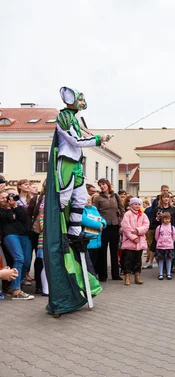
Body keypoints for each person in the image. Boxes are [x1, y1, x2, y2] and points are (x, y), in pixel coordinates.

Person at [54, 87, 111, 238]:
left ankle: (74, 232)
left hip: (77, 163)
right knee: (63, 198)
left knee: (80, 199)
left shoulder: (75, 118)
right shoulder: (64, 117)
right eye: (79, 99)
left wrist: (99, 141)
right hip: (67, 162)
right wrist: (98, 139)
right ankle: (57, 230)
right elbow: (75, 141)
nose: (82, 102)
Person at [0, 191, 34, 299]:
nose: (6, 199)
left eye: (8, 197)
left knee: (27, 262)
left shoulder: (17, 207)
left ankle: (12, 285)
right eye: (3, 198)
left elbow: (24, 217)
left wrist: (15, 205)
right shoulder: (2, 211)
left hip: (24, 235)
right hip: (10, 235)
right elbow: (9, 218)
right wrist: (10, 208)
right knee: (19, 259)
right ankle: (16, 290)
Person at [93, 178, 125, 282]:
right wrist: (99, 223)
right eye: (100, 185)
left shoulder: (115, 196)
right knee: (103, 250)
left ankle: (115, 274)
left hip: (115, 226)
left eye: (103, 184)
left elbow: (122, 209)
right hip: (104, 227)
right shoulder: (98, 198)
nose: (102, 186)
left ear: (108, 185)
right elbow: (95, 213)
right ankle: (103, 275)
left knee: (114, 250)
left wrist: (121, 223)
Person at [120, 198, 149, 286]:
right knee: (128, 259)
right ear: (131, 205)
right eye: (135, 204)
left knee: (138, 260)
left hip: (140, 241)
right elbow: (125, 227)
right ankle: (127, 276)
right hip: (129, 241)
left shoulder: (143, 215)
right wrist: (133, 237)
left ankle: (137, 275)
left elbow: (146, 225)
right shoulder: (127, 214)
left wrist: (138, 230)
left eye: (138, 204)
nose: (137, 206)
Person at [81, 195, 106, 275]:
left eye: (89, 199)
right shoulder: (82, 209)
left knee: (94, 262)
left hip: (97, 239)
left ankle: (93, 277)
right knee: (89, 262)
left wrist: (102, 223)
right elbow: (84, 220)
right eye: (86, 199)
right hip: (88, 239)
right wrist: (99, 225)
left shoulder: (94, 209)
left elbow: (102, 219)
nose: (88, 201)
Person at [155, 212, 175, 280]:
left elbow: (174, 236)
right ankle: (161, 273)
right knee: (160, 260)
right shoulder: (159, 227)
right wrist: (160, 241)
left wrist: (170, 242)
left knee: (168, 260)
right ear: (162, 219)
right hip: (160, 246)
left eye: (168, 219)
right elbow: (156, 236)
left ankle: (168, 273)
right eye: (165, 219)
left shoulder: (172, 227)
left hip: (169, 246)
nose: (167, 220)